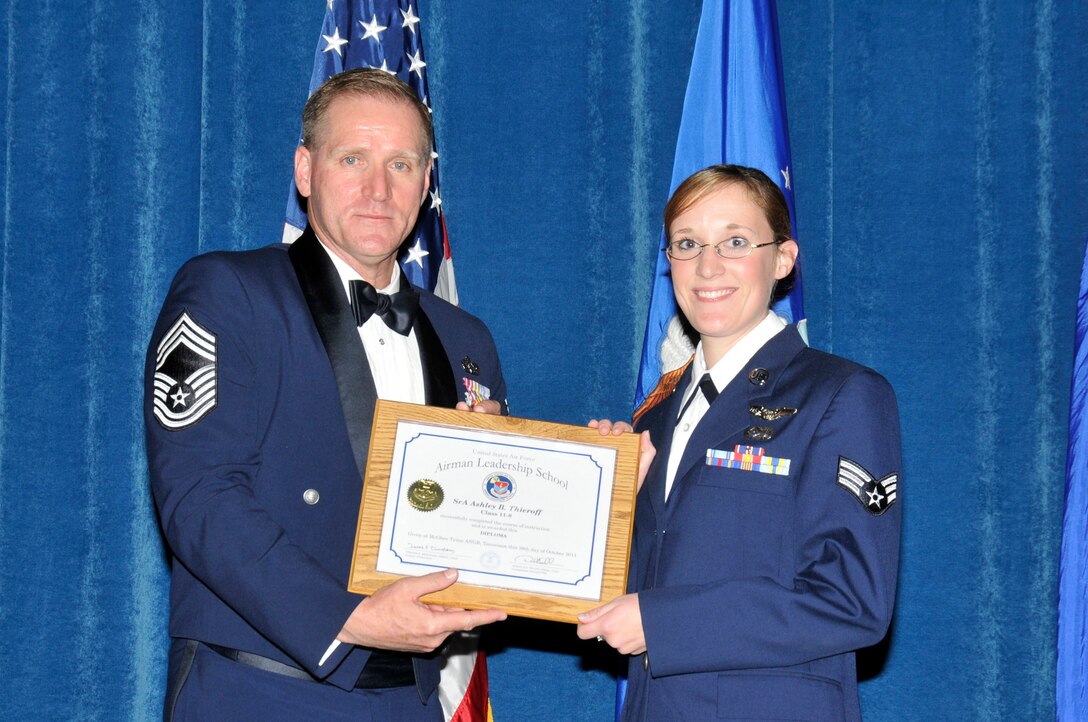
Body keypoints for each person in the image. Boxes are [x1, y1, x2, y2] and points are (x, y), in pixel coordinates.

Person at [144, 68, 507, 721]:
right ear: (305, 171)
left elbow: (487, 524)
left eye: (401, 164)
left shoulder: (464, 338)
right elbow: (199, 501)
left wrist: (513, 477)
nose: (377, 188)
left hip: (411, 702)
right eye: (353, 159)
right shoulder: (226, 294)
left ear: (427, 184)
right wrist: (350, 618)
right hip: (261, 692)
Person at [578, 165, 902, 721]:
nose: (708, 266)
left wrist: (662, 624)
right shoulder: (654, 417)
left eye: (734, 241)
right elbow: (643, 580)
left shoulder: (843, 396)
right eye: (687, 244)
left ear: (782, 258)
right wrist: (609, 507)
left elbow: (853, 601)